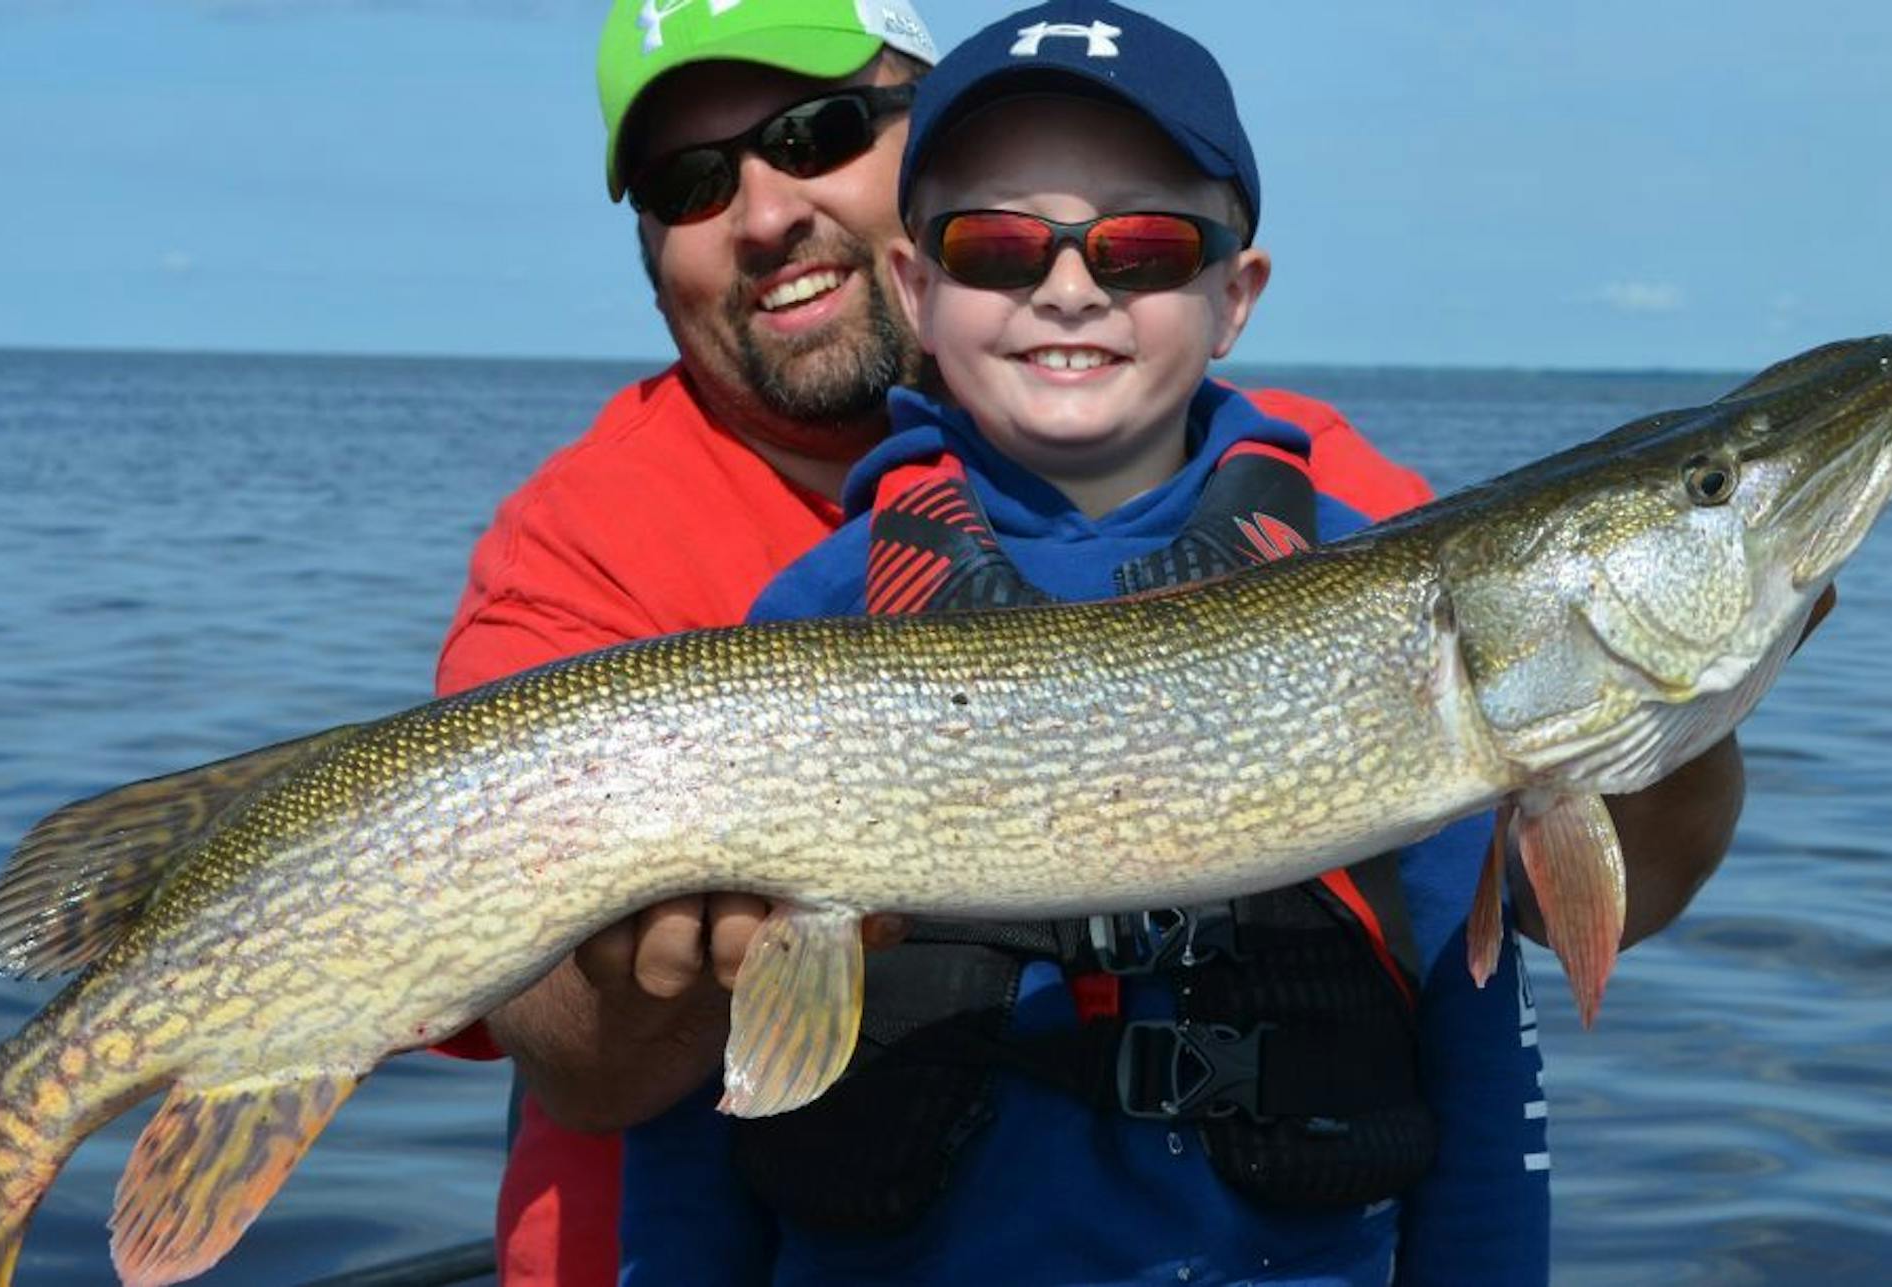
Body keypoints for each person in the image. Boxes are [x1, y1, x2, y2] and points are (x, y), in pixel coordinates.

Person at [434, 2, 1750, 1284]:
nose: (1069, 288)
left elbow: (1492, 1017)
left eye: (816, 133)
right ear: (923, 277)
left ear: (1235, 294)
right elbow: (641, 1102)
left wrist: (1684, 686)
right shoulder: (674, 573)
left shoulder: (1343, 535)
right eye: (1001, 246)